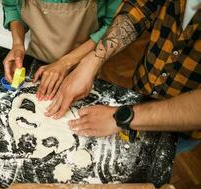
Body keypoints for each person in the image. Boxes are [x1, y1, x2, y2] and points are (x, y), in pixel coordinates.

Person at [45, 0, 201, 143]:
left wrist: (122, 118)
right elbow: (140, 8)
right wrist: (92, 61)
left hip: (184, 128)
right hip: (142, 90)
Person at [2, 0, 121, 100]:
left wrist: (65, 62)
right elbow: (12, 6)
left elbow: (114, 26)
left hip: (88, 65)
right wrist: (17, 44)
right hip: (37, 62)